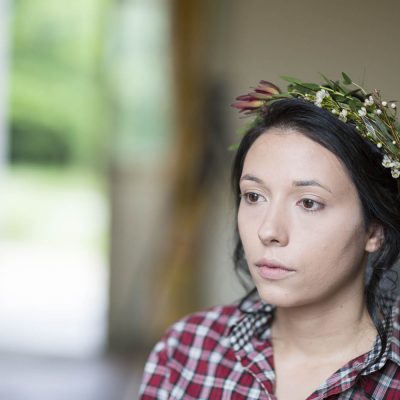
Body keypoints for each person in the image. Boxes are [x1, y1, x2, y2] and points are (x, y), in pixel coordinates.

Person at [138, 74, 400, 399]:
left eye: (308, 203)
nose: (268, 231)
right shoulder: (187, 351)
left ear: (375, 230)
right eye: (253, 196)